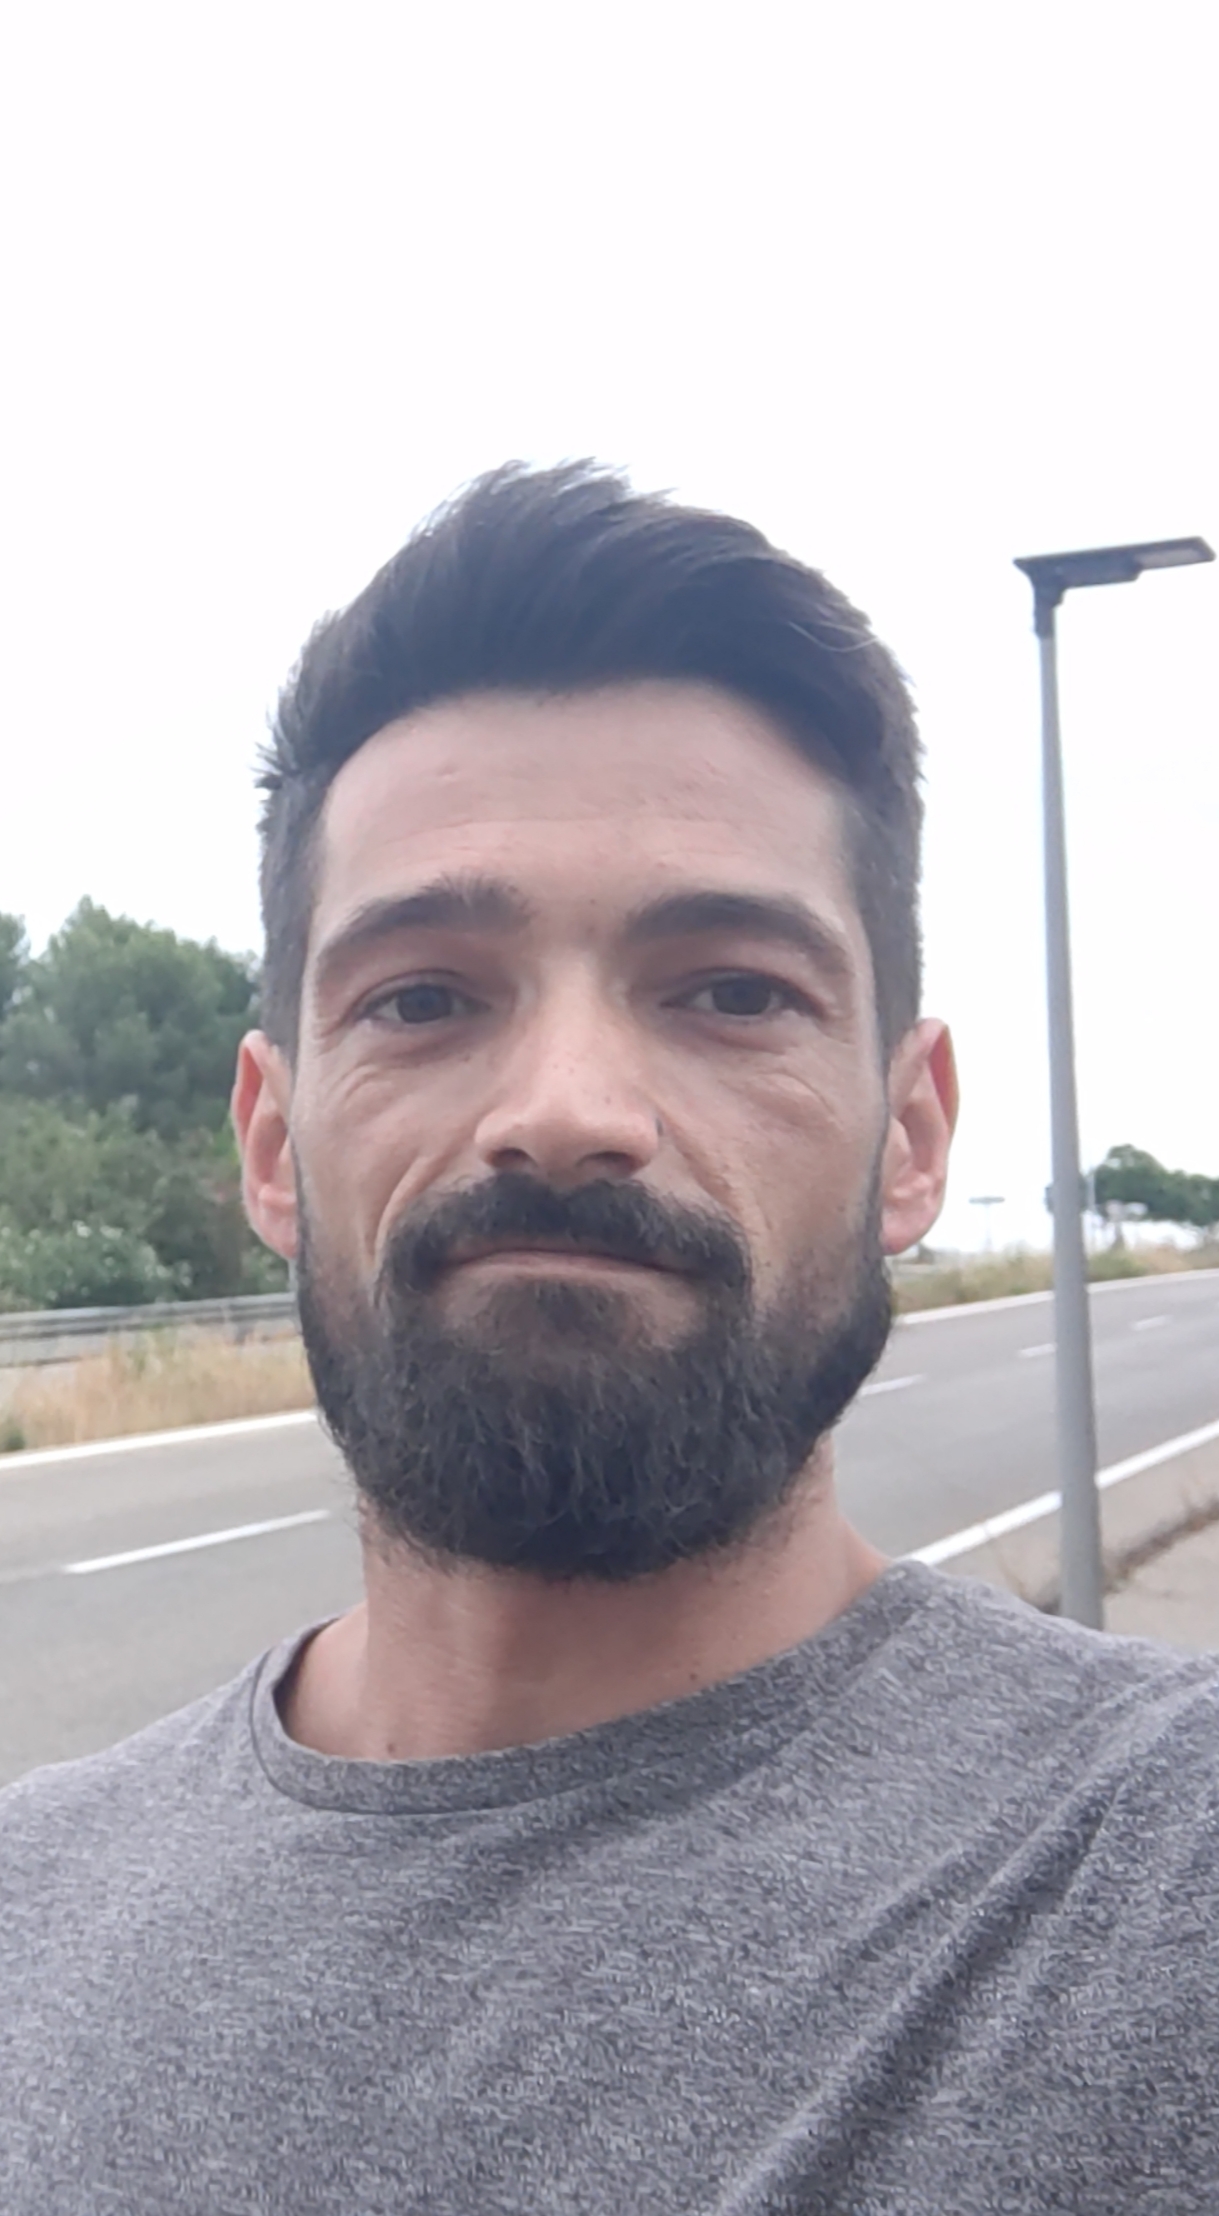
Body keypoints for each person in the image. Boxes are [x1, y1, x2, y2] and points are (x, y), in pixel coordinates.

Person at [1, 464, 1216, 2215]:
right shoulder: (31, 1913)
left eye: (731, 991)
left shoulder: (1163, 1877)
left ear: (911, 1136)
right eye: (424, 996)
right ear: (273, 1145)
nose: (566, 1112)